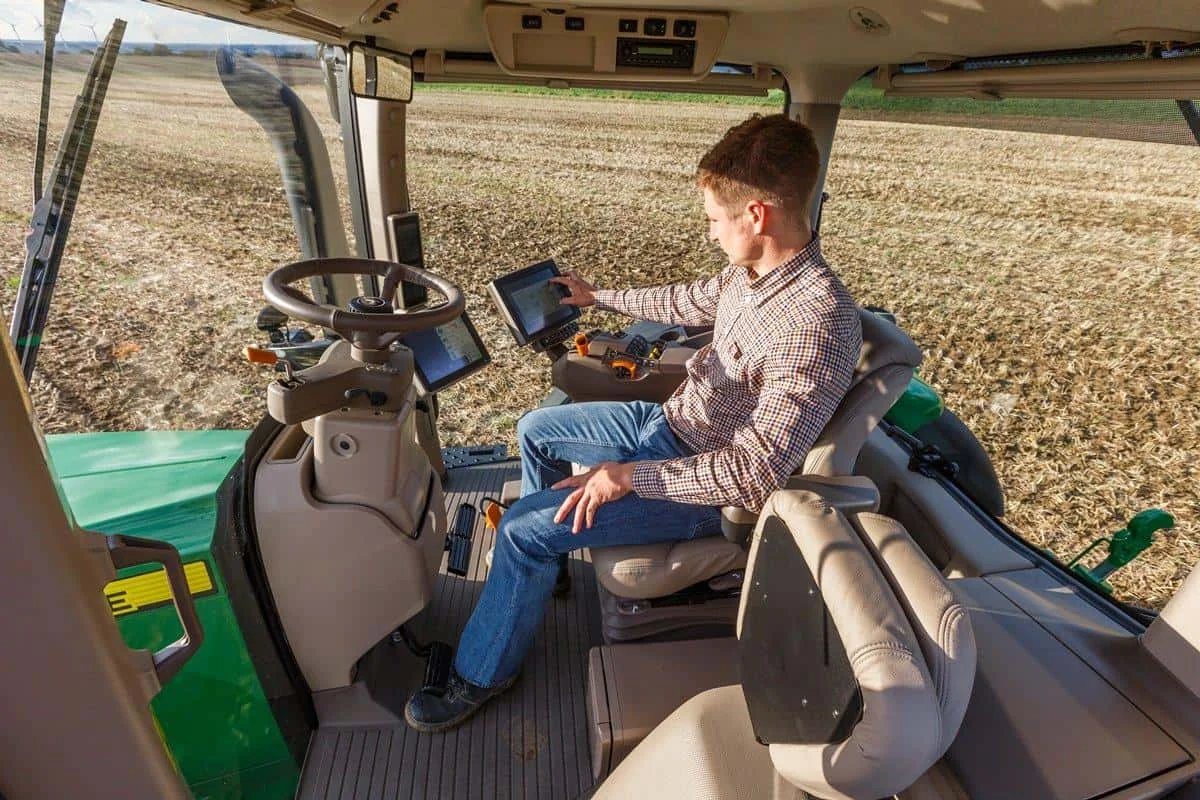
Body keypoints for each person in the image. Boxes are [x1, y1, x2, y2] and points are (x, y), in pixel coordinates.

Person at [405, 113, 863, 733]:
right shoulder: (753, 274)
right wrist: (599, 298)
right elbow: (689, 299)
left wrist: (630, 478)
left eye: (713, 220)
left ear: (755, 215)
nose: (710, 234)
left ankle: (482, 673)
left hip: (701, 485)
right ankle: (545, 573)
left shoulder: (814, 322)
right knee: (538, 428)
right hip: (669, 425)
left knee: (518, 527)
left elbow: (755, 475)